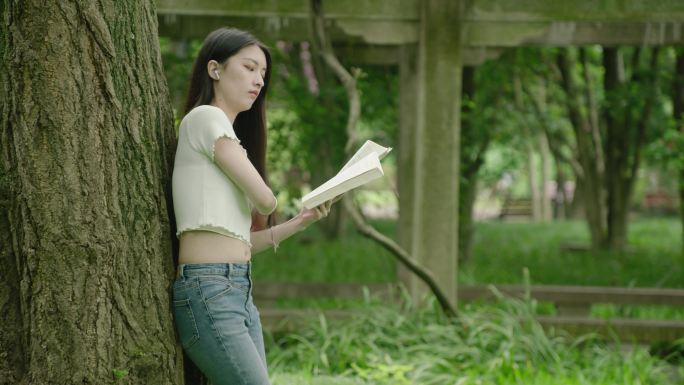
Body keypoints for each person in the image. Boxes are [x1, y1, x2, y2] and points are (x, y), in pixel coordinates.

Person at [171, 27, 335, 385]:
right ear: (215, 69)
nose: (259, 81)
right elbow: (265, 198)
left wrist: (301, 221)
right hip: (209, 289)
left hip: (237, 289)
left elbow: (241, 243)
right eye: (249, 68)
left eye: (263, 73)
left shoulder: (225, 142)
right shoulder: (205, 118)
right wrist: (270, 200)